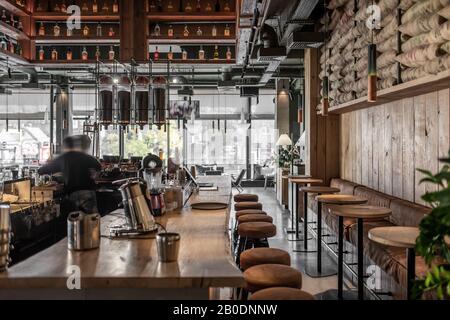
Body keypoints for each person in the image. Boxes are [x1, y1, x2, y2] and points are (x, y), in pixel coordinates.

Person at [38, 135, 101, 214]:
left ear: (64, 147)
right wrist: (94, 175)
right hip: (87, 191)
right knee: (92, 219)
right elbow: (98, 166)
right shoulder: (84, 156)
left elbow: (43, 170)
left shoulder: (62, 158)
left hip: (72, 193)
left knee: (75, 219)